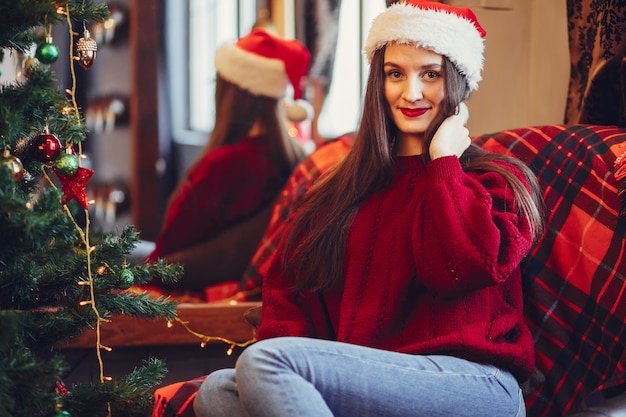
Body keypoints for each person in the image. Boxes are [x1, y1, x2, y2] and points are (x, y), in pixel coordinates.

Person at [193, 1, 545, 416]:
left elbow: (459, 268)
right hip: (373, 383)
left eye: (430, 74)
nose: (410, 92)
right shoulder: (339, 191)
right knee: (218, 391)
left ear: (457, 83)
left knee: (264, 362)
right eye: (395, 74)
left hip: (477, 386)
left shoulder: (499, 181)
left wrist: (444, 162)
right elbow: (290, 299)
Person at [145, 29, 310, 292]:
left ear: (230, 94)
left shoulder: (225, 166)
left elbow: (166, 257)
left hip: (189, 303)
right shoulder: (295, 158)